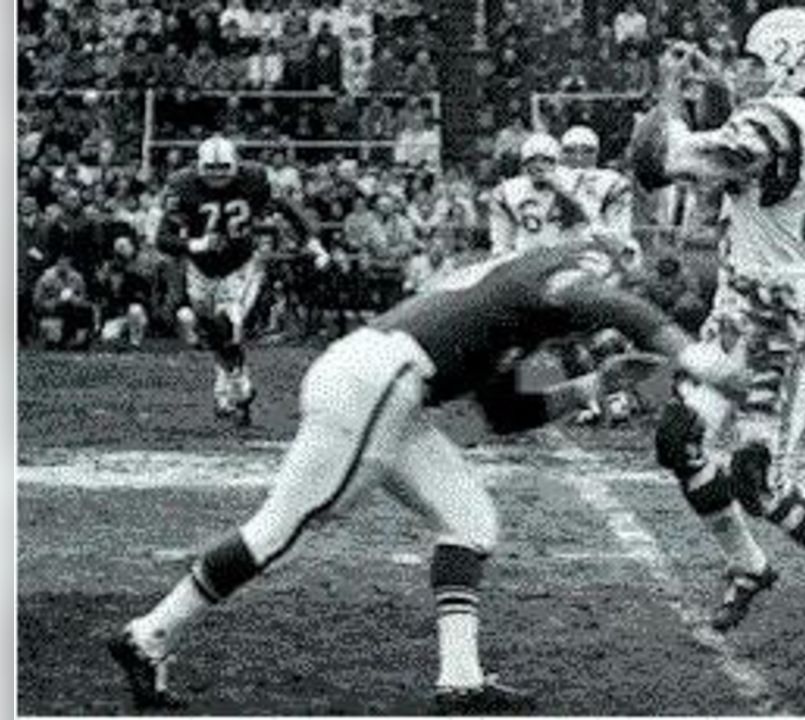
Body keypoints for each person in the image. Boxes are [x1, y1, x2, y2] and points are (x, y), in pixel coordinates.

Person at [107, 241, 747, 714]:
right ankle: (149, 634)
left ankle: (460, 680)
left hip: (389, 389)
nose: (597, 328)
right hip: (378, 381)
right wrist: (691, 356)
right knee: (282, 529)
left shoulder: (517, 304)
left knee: (468, 521)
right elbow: (602, 300)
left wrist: (590, 386)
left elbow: (502, 413)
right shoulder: (562, 277)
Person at [630, 8, 805, 659]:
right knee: (680, 439)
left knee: (758, 478)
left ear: (787, 58)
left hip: (780, 321)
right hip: (740, 305)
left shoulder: (773, 124)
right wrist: (719, 88)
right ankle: (748, 564)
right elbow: (746, 146)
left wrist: (667, 90)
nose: (745, 72)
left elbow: (654, 161)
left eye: (755, 59)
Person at [157, 135, 329, 426]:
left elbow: (288, 210)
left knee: (229, 324)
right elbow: (162, 238)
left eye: (223, 167)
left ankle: (233, 385)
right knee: (212, 331)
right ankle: (234, 381)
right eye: (210, 169)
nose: (217, 176)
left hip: (241, 265)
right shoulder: (182, 186)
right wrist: (198, 244)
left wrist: (312, 243)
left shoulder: (255, 179)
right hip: (200, 269)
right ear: (198, 167)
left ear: (236, 165)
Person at [559, 124, 643, 425]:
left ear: (597, 153)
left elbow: (620, 235)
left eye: (586, 150)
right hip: (564, 266)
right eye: (571, 150)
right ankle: (585, 401)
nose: (579, 156)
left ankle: (619, 398)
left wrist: (591, 230)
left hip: (602, 264)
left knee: (607, 338)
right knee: (565, 342)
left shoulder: (613, 182)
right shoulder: (549, 181)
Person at [32, 253, 96, 350]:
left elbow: (83, 298)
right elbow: (37, 302)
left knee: (87, 309)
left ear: (70, 263)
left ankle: (81, 341)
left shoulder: (77, 278)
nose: (63, 264)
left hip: (73, 311)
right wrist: (56, 302)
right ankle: (61, 341)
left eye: (66, 261)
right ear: (57, 262)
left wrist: (74, 299)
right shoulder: (46, 278)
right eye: (61, 261)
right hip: (53, 311)